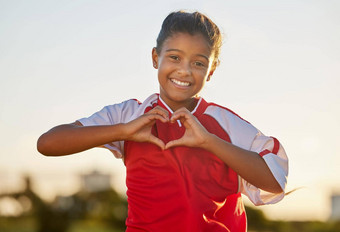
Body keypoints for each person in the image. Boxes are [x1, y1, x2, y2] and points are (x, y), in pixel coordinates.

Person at [37, 10, 288, 232]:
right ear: (156, 57)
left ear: (211, 70)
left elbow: (275, 183)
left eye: (198, 63)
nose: (185, 70)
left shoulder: (227, 124)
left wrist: (210, 142)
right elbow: (48, 144)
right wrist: (123, 131)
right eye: (175, 57)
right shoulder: (129, 115)